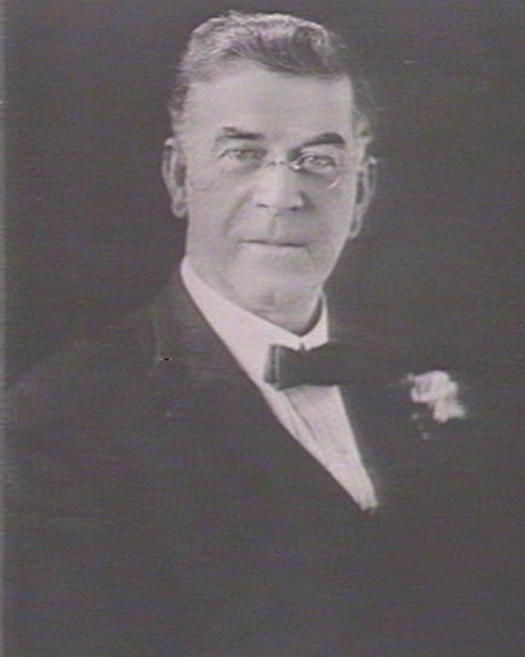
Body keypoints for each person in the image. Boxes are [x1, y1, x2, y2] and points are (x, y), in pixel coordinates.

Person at [6, 11, 525, 657]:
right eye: (243, 154)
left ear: (361, 193)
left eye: (318, 160)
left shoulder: (426, 386)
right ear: (179, 178)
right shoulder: (59, 419)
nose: (281, 195)